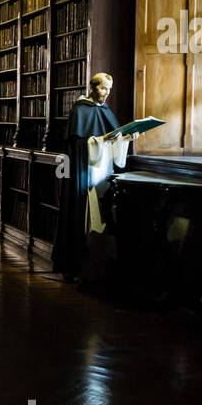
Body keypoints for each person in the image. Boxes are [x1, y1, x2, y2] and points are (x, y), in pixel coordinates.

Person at [55, 72, 138, 282]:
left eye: (109, 89)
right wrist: (100, 140)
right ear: (92, 87)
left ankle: (99, 264)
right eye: (103, 88)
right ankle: (75, 264)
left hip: (103, 170)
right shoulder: (79, 110)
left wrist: (128, 136)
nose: (106, 94)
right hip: (85, 170)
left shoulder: (105, 110)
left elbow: (113, 138)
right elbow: (79, 145)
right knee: (81, 213)